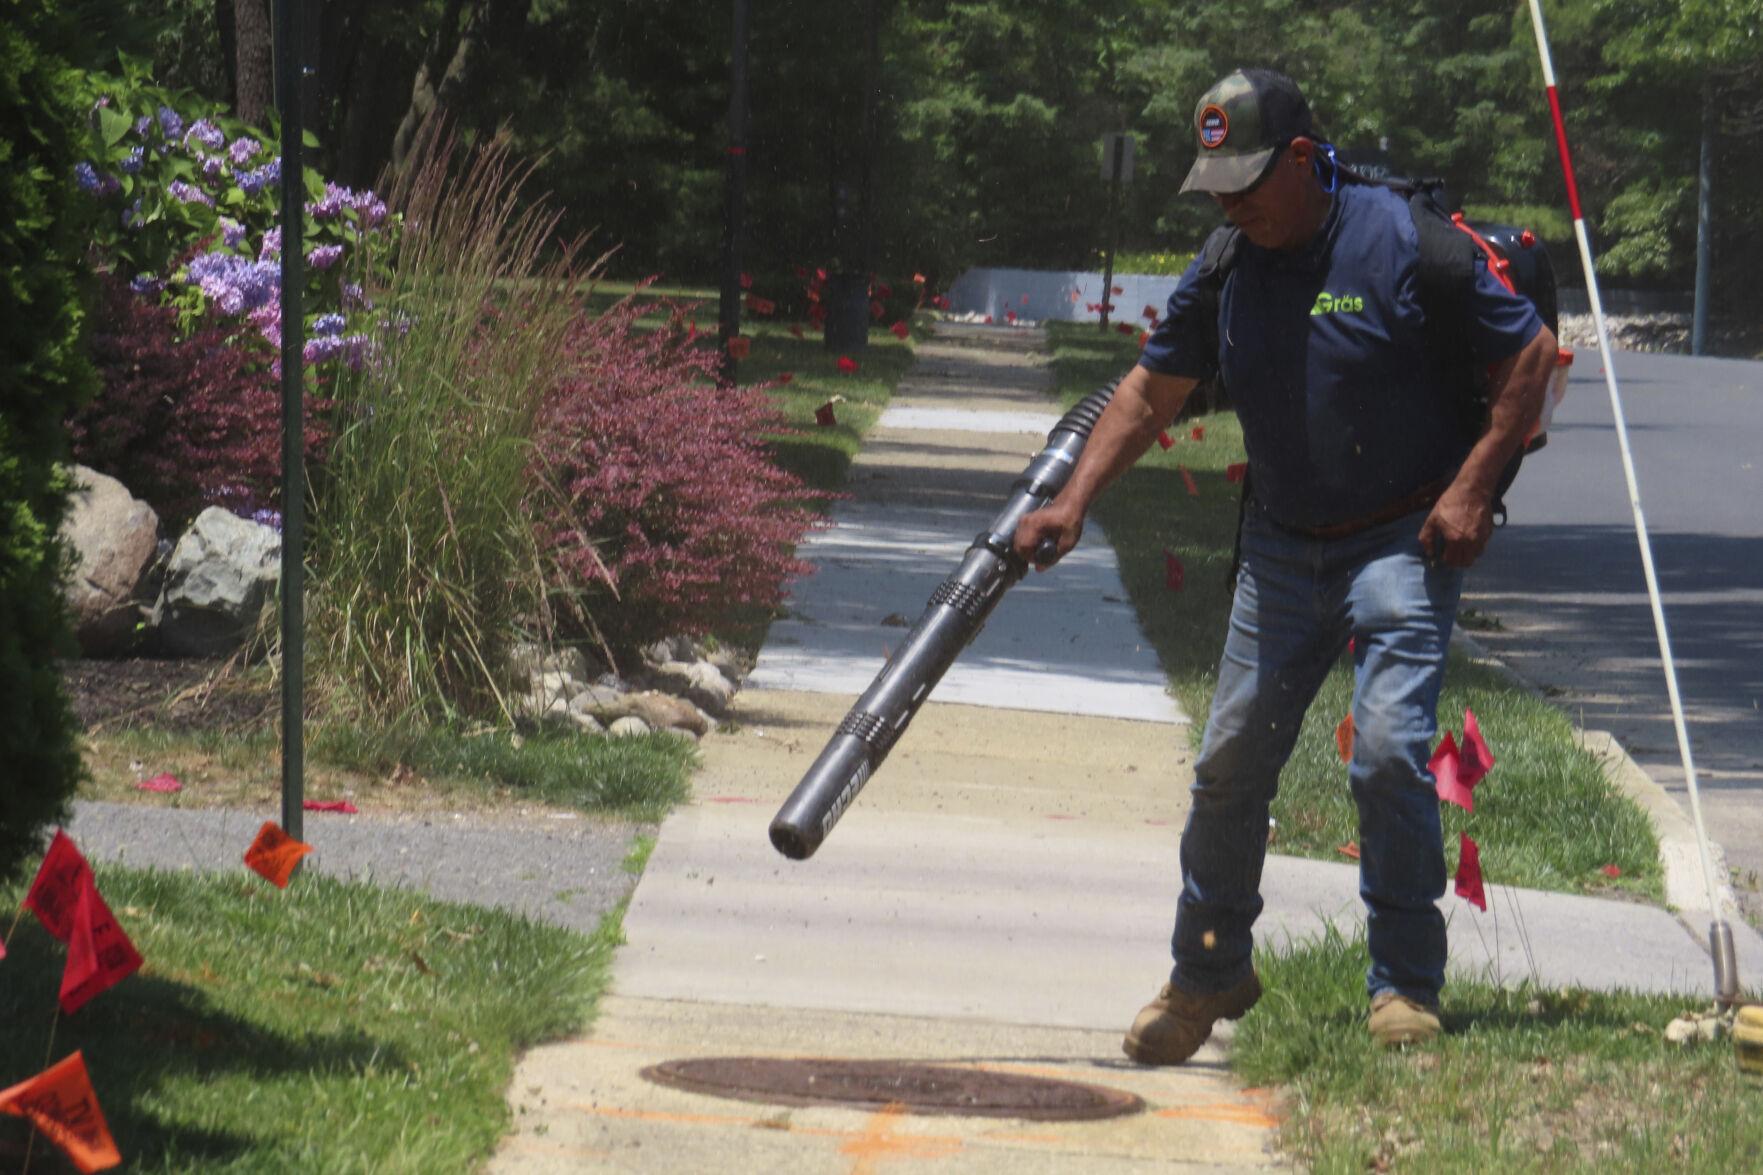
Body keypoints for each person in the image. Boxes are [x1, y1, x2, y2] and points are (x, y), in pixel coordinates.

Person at [1012, 68, 1557, 1060]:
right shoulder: (1227, 259)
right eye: (1215, 184)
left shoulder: (1402, 243)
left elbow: (1530, 356)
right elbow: (1145, 394)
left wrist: (1474, 481)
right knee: (1227, 761)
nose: (1230, 202)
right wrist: (1071, 500)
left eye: (1247, 181)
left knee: (1390, 749)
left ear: (1303, 159)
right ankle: (1209, 968)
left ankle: (1403, 981)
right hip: (1279, 543)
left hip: (1398, 537)